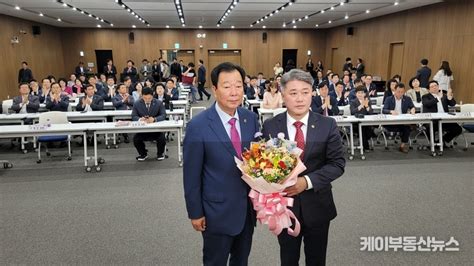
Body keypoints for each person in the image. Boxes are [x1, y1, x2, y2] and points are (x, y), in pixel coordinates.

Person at [261, 69, 345, 266]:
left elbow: (337, 164)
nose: (300, 99)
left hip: (318, 205)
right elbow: (265, 165)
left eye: (305, 92)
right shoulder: (271, 126)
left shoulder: (327, 124)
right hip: (285, 209)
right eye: (293, 93)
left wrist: (305, 182)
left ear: (312, 93)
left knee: (317, 260)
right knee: (288, 259)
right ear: (283, 95)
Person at [183, 62, 259, 266]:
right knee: (214, 261)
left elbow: (256, 161)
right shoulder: (198, 126)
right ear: (214, 90)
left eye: (239, 85)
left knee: (241, 261)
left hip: (246, 211)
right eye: (227, 86)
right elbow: (191, 175)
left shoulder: (250, 118)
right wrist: (195, 212)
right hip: (215, 212)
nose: (234, 92)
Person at [131, 87, 167, 161]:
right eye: (145, 98)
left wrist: (154, 119)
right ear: (142, 96)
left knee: (162, 138)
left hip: (156, 129)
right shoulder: (137, 103)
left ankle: (160, 154)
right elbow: (133, 116)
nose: (147, 100)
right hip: (143, 129)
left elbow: (163, 115)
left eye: (149, 98)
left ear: (152, 95)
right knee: (136, 139)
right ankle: (143, 154)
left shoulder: (158, 103)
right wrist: (140, 119)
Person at [422, 80, 462, 145]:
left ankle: (442, 141)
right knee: (429, 128)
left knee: (458, 129)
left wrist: (449, 97)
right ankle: (433, 144)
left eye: (436, 85)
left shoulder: (444, 95)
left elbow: (452, 104)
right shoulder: (425, 97)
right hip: (432, 120)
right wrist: (438, 98)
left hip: (444, 119)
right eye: (432, 86)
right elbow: (427, 104)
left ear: (438, 87)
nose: (434, 87)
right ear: (429, 90)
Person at [382, 83, 415, 153]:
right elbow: (384, 110)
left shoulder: (407, 99)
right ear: (395, 91)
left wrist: (412, 109)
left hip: (402, 121)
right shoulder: (389, 99)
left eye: (402, 92)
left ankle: (402, 146)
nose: (400, 93)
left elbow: (412, 106)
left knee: (407, 128)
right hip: (391, 122)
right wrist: (391, 111)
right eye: (398, 91)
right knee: (404, 127)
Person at [350, 85, 374, 151]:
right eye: (358, 93)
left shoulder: (367, 101)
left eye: (362, 93)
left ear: (365, 94)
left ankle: (363, 142)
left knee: (369, 129)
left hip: (366, 122)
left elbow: (371, 112)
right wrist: (361, 105)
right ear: (356, 94)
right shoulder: (353, 101)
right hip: (356, 123)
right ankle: (365, 146)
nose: (360, 94)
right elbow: (352, 112)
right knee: (363, 129)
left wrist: (366, 106)